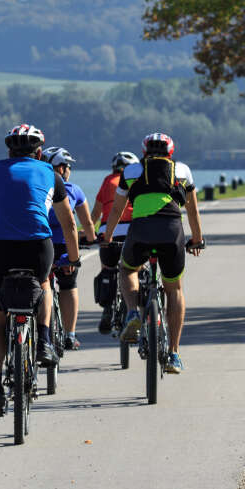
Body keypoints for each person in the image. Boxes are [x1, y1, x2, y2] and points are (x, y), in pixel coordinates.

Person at [0, 123, 81, 420]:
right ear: (40, 152)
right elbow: (68, 223)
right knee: (43, 282)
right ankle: (43, 340)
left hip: (2, 248)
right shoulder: (50, 174)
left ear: (8, 150)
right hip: (38, 247)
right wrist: (75, 255)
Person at [97, 132, 204, 374]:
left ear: (144, 152)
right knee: (174, 289)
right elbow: (193, 211)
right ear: (171, 153)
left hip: (141, 231)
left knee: (127, 269)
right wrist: (197, 240)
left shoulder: (132, 172)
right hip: (171, 230)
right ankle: (174, 353)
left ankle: (133, 311)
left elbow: (116, 209)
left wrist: (108, 236)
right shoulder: (183, 171)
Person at [41, 147, 96, 350]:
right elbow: (87, 223)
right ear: (61, 168)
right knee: (68, 284)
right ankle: (70, 334)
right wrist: (90, 239)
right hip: (64, 246)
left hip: (41, 244)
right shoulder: (74, 190)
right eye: (68, 166)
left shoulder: (37, 187)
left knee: (41, 285)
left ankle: (41, 332)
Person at [91, 150, 139, 334]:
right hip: (133, 230)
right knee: (134, 269)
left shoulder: (107, 181)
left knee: (108, 268)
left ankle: (107, 310)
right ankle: (139, 307)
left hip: (108, 232)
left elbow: (96, 213)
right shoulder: (136, 180)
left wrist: (88, 233)